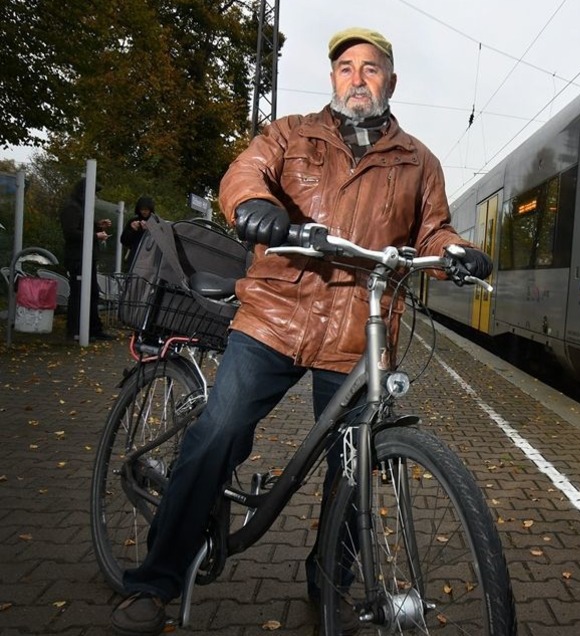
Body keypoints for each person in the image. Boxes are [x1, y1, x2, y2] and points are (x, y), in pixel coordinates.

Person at [110, 27, 492, 635]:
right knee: (222, 429)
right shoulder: (290, 134)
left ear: (390, 81)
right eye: (346, 67)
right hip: (275, 313)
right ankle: (156, 579)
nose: (358, 78)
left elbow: (432, 230)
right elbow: (244, 176)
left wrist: (456, 251)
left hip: (355, 329)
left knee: (351, 464)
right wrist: (254, 209)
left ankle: (328, 583)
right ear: (333, 78)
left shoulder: (419, 160)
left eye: (371, 68)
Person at [59, 177, 115, 341]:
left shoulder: (80, 207)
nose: (95, 198)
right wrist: (95, 235)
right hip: (78, 258)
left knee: (92, 293)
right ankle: (77, 330)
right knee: (79, 294)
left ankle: (92, 329)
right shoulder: (72, 208)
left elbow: (80, 227)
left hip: (85, 257)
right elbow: (71, 232)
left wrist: (98, 226)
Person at [120, 196, 155, 270]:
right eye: (142, 209)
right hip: (135, 255)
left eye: (146, 209)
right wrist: (133, 230)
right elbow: (124, 241)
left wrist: (149, 230)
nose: (144, 212)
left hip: (150, 258)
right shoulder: (134, 221)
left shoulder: (155, 222)